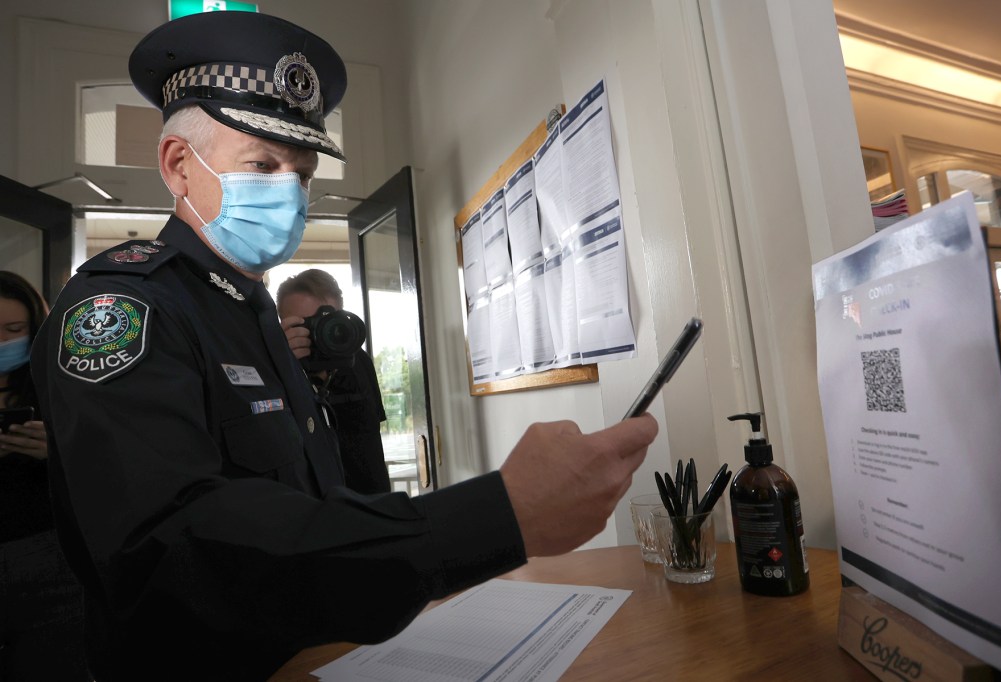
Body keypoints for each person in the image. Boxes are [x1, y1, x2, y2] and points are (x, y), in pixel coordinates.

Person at [31, 11, 657, 681]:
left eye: (302, 174)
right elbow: (177, 548)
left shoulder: (255, 314)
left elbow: (316, 509)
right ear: (179, 165)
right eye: (262, 164)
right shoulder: (124, 308)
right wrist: (494, 516)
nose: (290, 192)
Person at [0, 271, 89, 681]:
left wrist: (57, 453)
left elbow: (109, 470)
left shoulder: (63, 383)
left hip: (49, 560)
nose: (2, 342)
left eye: (14, 330)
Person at [277, 269, 392, 495]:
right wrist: (282, 364)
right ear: (282, 324)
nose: (317, 334)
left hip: (369, 502)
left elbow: (372, 440)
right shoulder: (273, 369)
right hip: (310, 507)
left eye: (327, 322)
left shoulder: (359, 361)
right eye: (306, 325)